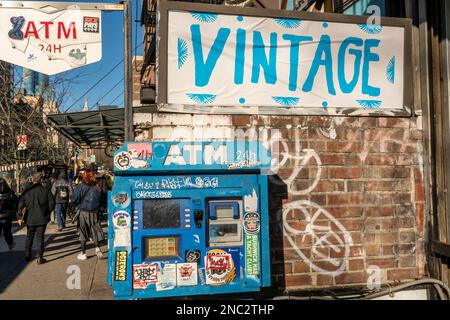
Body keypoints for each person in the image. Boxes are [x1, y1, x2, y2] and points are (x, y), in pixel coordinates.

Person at [17, 172, 55, 264]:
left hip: (30, 218)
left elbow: (20, 205)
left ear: (33, 180)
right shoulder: (45, 190)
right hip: (42, 218)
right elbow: (52, 203)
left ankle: (27, 255)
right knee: (40, 238)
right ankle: (40, 257)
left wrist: (19, 216)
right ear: (41, 180)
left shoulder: (27, 191)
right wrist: (47, 212)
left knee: (29, 237)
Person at [72, 171, 105, 260]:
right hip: (94, 212)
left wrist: (78, 206)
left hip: (83, 211)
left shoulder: (80, 186)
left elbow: (74, 199)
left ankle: (83, 253)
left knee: (82, 231)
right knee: (94, 229)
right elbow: (102, 200)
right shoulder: (98, 186)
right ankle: (97, 248)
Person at [0, 178, 18, 250]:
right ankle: (10, 244)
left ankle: (10, 244)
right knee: (7, 231)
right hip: (7, 215)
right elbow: (16, 201)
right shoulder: (10, 192)